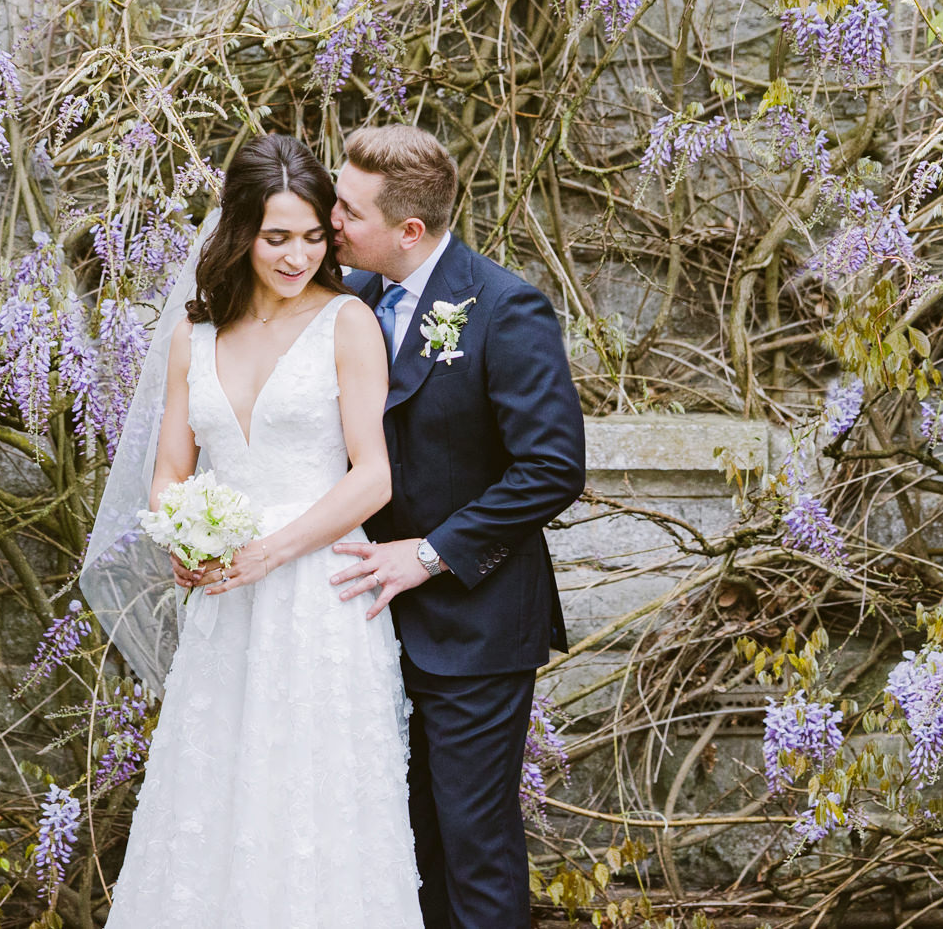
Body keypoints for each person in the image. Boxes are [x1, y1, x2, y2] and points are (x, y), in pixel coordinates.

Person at [98, 134, 423, 927]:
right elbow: (171, 467)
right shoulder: (194, 333)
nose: (296, 254)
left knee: (311, 809)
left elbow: (371, 475)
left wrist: (268, 552)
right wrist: (184, 537)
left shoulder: (347, 321)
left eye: (314, 236)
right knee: (212, 797)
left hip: (316, 594)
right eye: (277, 236)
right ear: (240, 230)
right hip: (224, 602)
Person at [327, 124, 589, 929]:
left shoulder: (506, 308)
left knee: (474, 841)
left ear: (410, 230)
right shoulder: (357, 299)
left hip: (474, 625)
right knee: (402, 842)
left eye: (346, 208)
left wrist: (433, 552)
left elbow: (552, 467)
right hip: (371, 622)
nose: (330, 219)